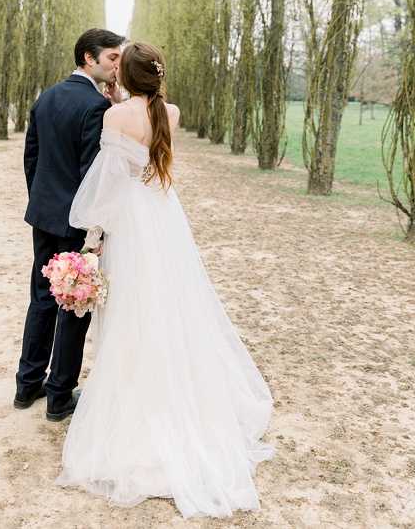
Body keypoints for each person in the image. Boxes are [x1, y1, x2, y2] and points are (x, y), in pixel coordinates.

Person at [55, 41, 275, 520]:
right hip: (164, 213)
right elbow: (147, 141)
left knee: (132, 308)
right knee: (172, 301)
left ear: (124, 78)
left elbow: (108, 184)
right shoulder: (170, 113)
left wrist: (96, 235)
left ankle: (137, 411)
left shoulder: (114, 118)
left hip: (132, 222)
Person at [14, 28, 126, 421]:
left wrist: (43, 202)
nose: (117, 65)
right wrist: (95, 229)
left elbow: (32, 158)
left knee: (42, 298)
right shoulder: (96, 107)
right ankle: (59, 395)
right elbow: (90, 173)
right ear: (87, 59)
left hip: (44, 215)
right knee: (75, 307)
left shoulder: (45, 97)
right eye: (112, 57)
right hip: (75, 222)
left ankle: (27, 385)